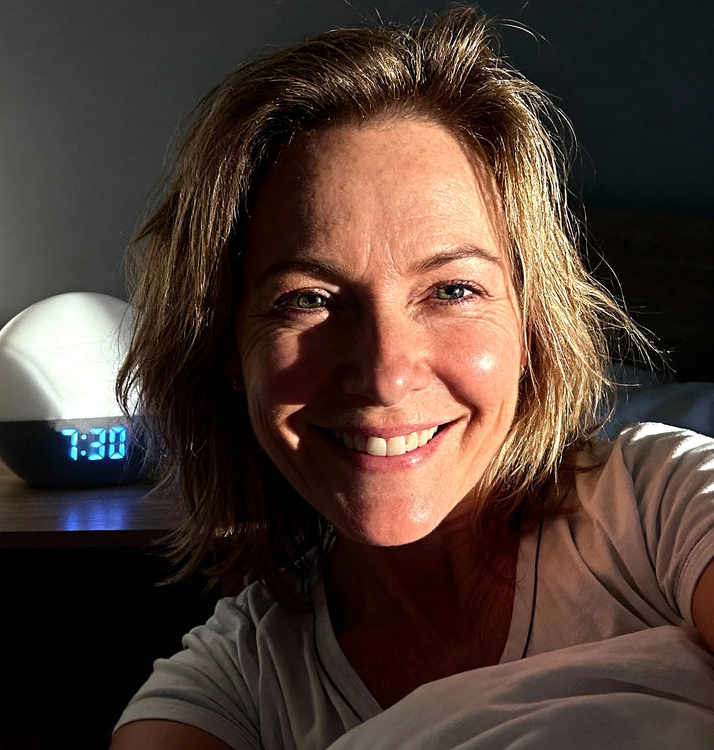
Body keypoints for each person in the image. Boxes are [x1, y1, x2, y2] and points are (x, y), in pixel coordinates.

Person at [110, 6, 714, 749]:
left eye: (452, 290)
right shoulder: (230, 691)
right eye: (308, 299)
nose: (386, 375)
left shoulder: (667, 510)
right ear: (229, 347)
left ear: (531, 322)